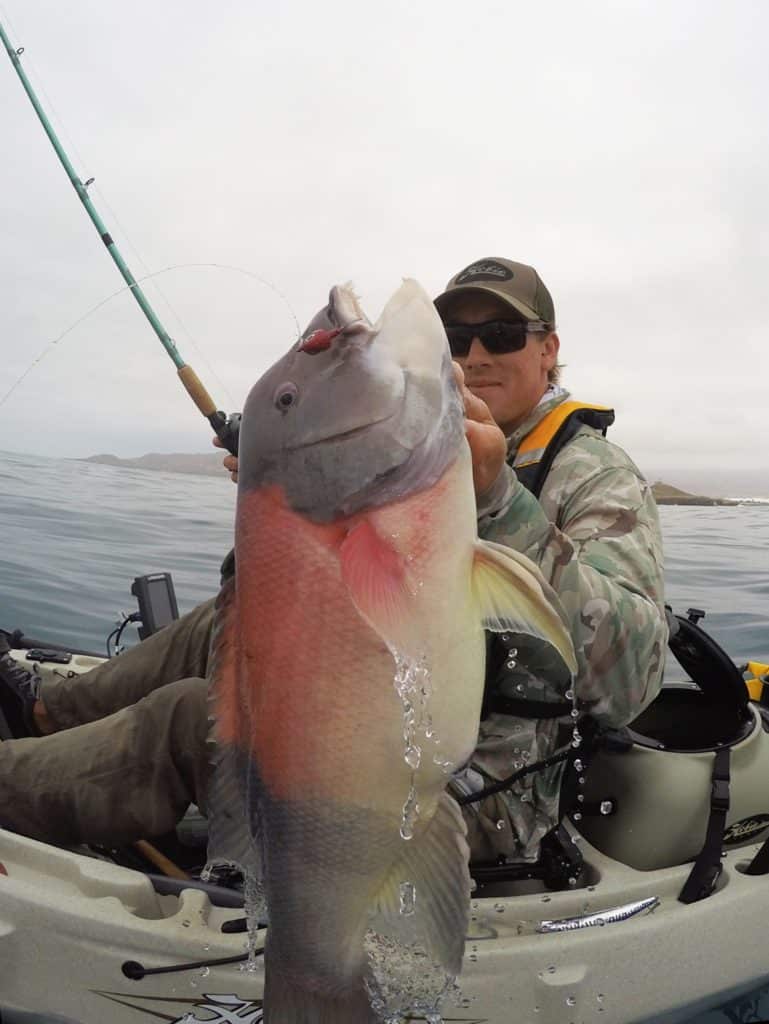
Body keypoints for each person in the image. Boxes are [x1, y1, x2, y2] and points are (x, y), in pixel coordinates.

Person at [0, 256, 666, 869]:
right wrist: (290, 500)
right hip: (364, 702)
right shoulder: (412, 434)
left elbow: (628, 681)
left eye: (501, 332)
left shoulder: (593, 474)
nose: (477, 353)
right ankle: (46, 711)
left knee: (187, 717)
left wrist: (497, 501)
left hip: (470, 782)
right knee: (221, 623)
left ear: (548, 348)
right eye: (458, 339)